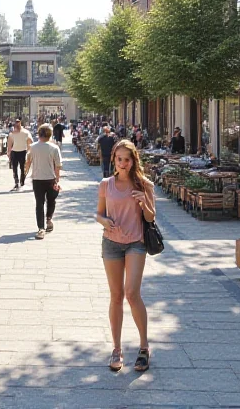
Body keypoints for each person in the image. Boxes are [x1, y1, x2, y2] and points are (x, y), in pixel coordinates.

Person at [96, 140, 155, 373]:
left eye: (127, 159)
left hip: (136, 243)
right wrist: (104, 221)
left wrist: (143, 201)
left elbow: (151, 218)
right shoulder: (105, 184)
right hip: (111, 243)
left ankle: (143, 347)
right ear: (114, 159)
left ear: (134, 160)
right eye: (119, 159)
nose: (123, 163)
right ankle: (117, 349)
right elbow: (98, 213)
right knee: (116, 295)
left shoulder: (144, 184)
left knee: (132, 293)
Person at [25, 123, 62, 240]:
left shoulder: (33, 147)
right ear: (50, 134)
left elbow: (28, 161)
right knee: (51, 200)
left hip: (37, 179)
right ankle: (49, 219)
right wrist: (57, 179)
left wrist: (25, 173)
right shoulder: (54, 148)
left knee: (39, 203)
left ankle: (41, 228)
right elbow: (58, 166)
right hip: (50, 178)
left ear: (39, 134)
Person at [7, 118, 33, 191]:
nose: (17, 124)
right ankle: (16, 182)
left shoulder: (26, 132)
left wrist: (29, 151)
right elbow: (9, 143)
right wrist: (9, 152)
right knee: (14, 168)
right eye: (16, 122)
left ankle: (22, 181)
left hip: (23, 152)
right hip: (14, 152)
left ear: (21, 123)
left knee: (22, 168)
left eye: (18, 122)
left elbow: (30, 141)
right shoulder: (12, 133)